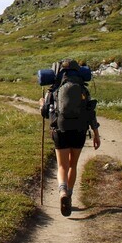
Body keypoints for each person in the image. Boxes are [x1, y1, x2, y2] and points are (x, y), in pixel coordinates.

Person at [39, 59, 100, 217]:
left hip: (60, 130)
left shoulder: (54, 89)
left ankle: (62, 192)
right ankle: (70, 195)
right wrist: (96, 134)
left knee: (62, 166)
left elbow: (45, 112)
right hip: (79, 130)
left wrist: (41, 104)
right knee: (73, 165)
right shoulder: (83, 89)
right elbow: (90, 113)